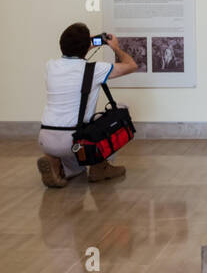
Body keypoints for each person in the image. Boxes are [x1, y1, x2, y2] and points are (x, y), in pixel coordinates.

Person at [37, 22, 138, 187]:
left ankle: (56, 163)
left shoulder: (50, 66)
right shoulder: (95, 69)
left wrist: (86, 44)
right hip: (74, 141)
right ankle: (100, 167)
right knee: (121, 111)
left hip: (46, 139)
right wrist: (115, 48)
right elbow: (131, 65)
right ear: (86, 47)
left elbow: (74, 55)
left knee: (78, 169)